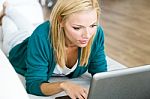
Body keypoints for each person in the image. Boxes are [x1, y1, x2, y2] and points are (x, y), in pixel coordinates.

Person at [2, 0, 107, 98]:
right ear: (60, 20)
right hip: (17, 43)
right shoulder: (41, 36)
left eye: (93, 25)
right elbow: (33, 85)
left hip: (37, 35)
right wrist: (63, 85)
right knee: (8, 25)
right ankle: (7, 10)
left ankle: (9, 10)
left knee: (28, 26)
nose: (87, 35)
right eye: (77, 28)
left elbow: (101, 74)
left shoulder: (96, 35)